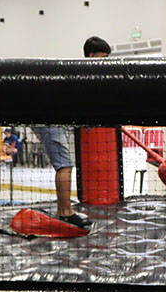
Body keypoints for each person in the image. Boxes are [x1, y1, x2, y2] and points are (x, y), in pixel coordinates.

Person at [30, 37, 111, 229]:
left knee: (65, 165)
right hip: (49, 119)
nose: (105, 62)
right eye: (103, 57)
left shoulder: (84, 75)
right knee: (65, 165)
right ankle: (65, 213)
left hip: (53, 119)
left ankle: (64, 211)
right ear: (91, 55)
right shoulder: (81, 73)